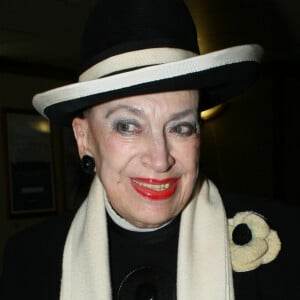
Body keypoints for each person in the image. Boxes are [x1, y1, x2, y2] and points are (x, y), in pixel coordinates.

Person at [1, 0, 299, 299]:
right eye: (128, 126)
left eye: (180, 127)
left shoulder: (287, 240)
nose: (160, 160)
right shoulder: (28, 261)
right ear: (84, 138)